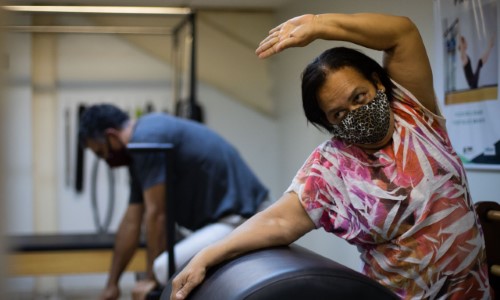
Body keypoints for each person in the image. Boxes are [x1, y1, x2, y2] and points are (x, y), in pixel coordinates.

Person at [170, 13, 492, 300]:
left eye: (359, 96)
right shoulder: (331, 168)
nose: (356, 113)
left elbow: (403, 32)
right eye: (339, 113)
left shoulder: (412, 109)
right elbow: (279, 220)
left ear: (377, 82)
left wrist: (319, 25)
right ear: (329, 123)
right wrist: (206, 256)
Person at [78, 104, 269, 300]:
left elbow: (158, 215)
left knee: (160, 269)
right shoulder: (140, 148)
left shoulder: (147, 139)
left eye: (101, 152)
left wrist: (152, 280)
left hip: (243, 218)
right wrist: (112, 284)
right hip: (222, 220)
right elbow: (131, 222)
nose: (106, 160)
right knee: (149, 267)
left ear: (111, 136)